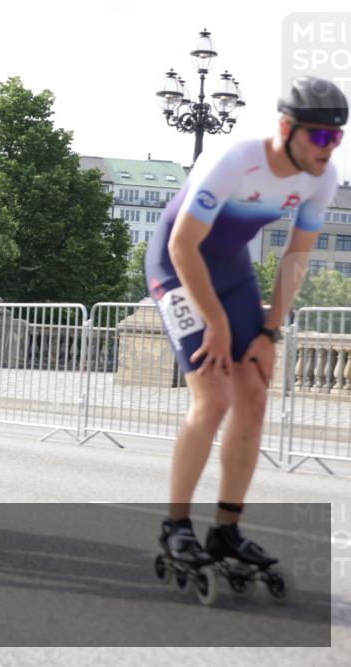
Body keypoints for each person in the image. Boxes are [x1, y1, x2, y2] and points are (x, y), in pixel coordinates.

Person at [144, 77, 345, 566]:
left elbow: (296, 258)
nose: (329, 146)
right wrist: (214, 321)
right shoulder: (235, 160)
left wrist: (271, 332)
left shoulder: (323, 177)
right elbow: (180, 245)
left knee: (253, 395)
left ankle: (227, 530)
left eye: (336, 136)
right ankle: (176, 525)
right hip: (178, 268)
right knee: (214, 397)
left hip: (232, 271)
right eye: (319, 135)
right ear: (286, 127)